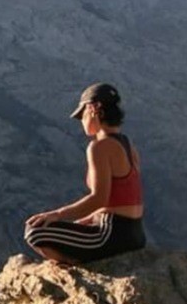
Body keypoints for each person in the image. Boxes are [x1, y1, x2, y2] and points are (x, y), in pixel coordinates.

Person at [24, 83, 145, 265]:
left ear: (93, 109)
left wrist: (57, 214)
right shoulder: (129, 146)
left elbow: (99, 198)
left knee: (35, 231)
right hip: (135, 232)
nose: (82, 121)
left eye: (82, 115)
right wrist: (88, 219)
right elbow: (124, 198)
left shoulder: (99, 147)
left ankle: (77, 268)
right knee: (68, 228)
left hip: (110, 234)